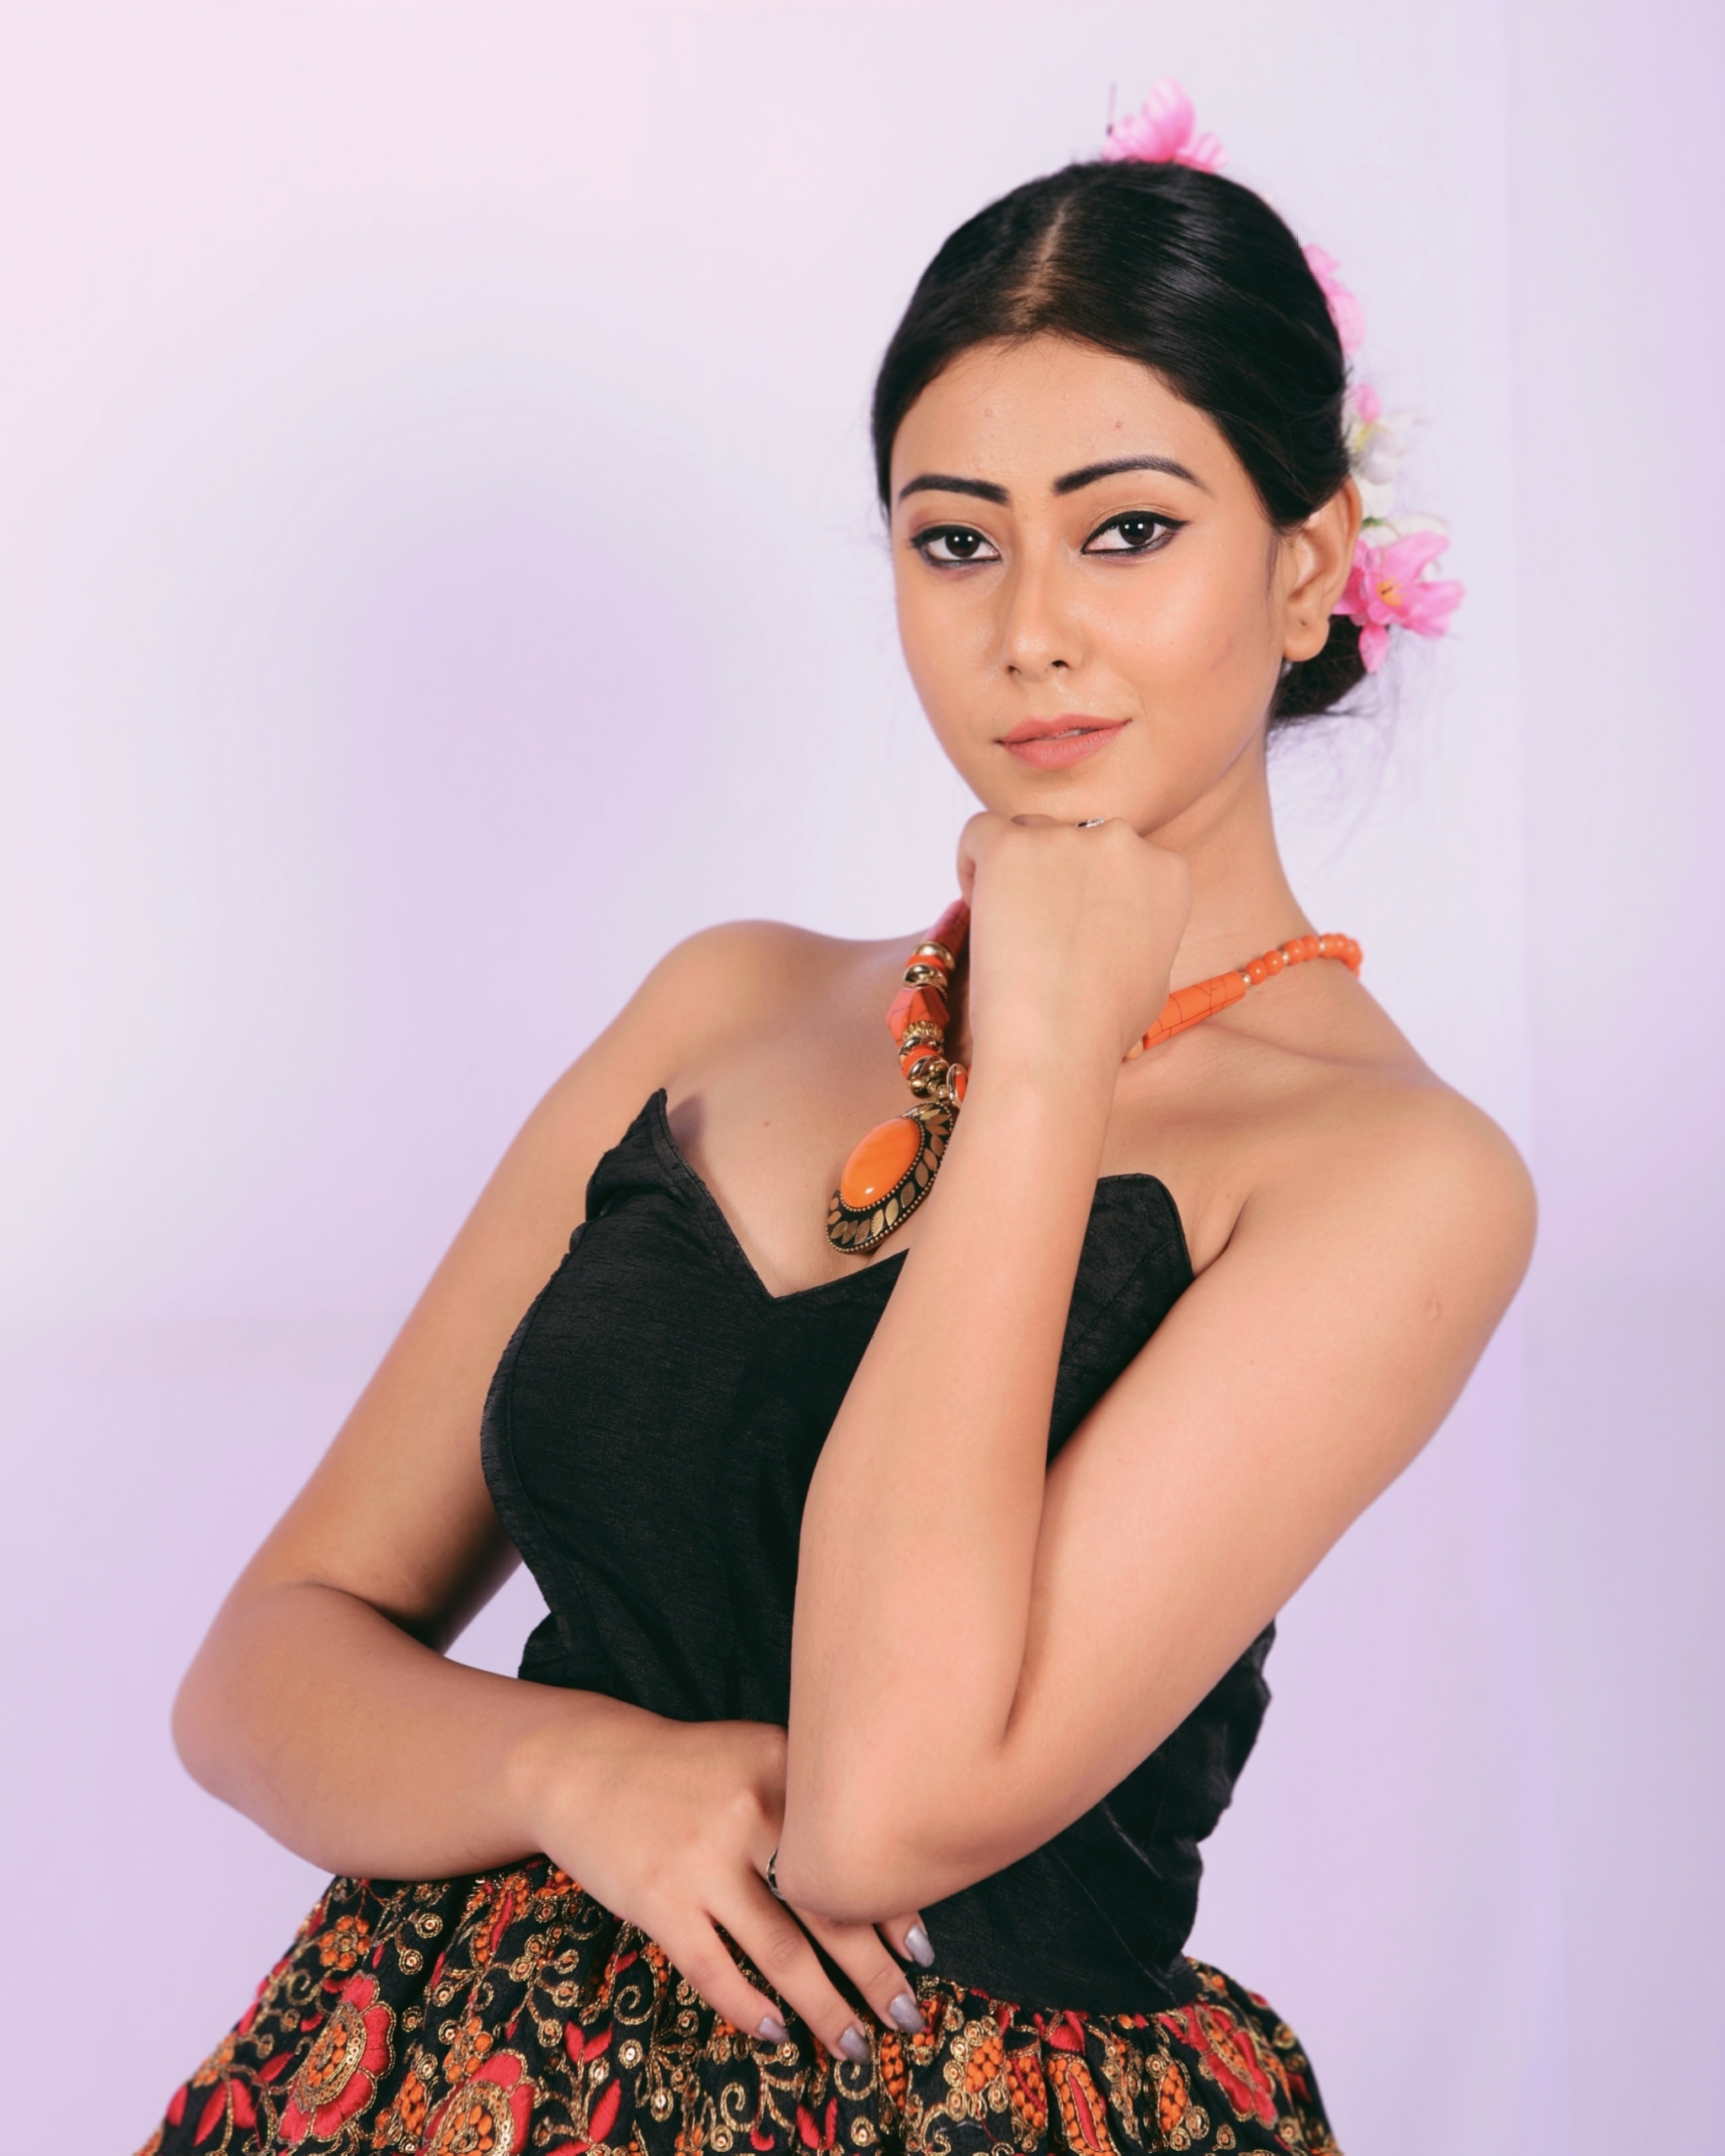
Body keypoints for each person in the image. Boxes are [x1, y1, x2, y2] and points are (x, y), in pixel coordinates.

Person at [139, 88, 1532, 2156]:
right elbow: (260, 1671)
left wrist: (1043, 1057)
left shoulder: (1397, 1176)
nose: (1029, 626)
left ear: (1308, 562)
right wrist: (567, 1771)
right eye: (954, 538)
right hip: (425, 2072)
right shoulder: (731, 1001)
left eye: (1127, 528)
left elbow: (880, 1807)